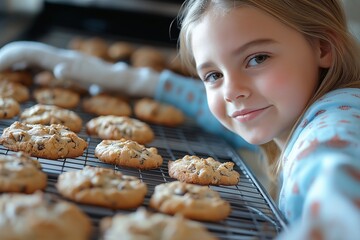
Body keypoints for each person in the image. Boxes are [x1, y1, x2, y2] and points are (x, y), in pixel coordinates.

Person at [0, 0, 360, 238]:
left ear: (322, 48)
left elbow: (339, 208)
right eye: (213, 75)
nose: (232, 91)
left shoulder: (332, 132)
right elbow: (216, 112)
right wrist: (122, 78)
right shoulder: (294, 113)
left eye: (257, 58)